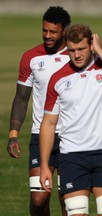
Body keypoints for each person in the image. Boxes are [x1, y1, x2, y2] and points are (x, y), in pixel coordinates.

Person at [40, 24, 102, 216]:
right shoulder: (57, 79)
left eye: (81, 49)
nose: (77, 55)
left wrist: (100, 51)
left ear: (91, 45)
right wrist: (44, 166)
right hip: (72, 157)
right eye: (72, 50)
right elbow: (49, 124)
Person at [6, 6, 71, 216]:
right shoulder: (31, 57)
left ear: (65, 31)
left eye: (53, 32)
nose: (48, 36)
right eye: (44, 31)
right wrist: (13, 134)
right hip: (40, 135)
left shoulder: (77, 55)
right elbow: (21, 99)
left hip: (73, 136)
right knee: (38, 198)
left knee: (68, 201)